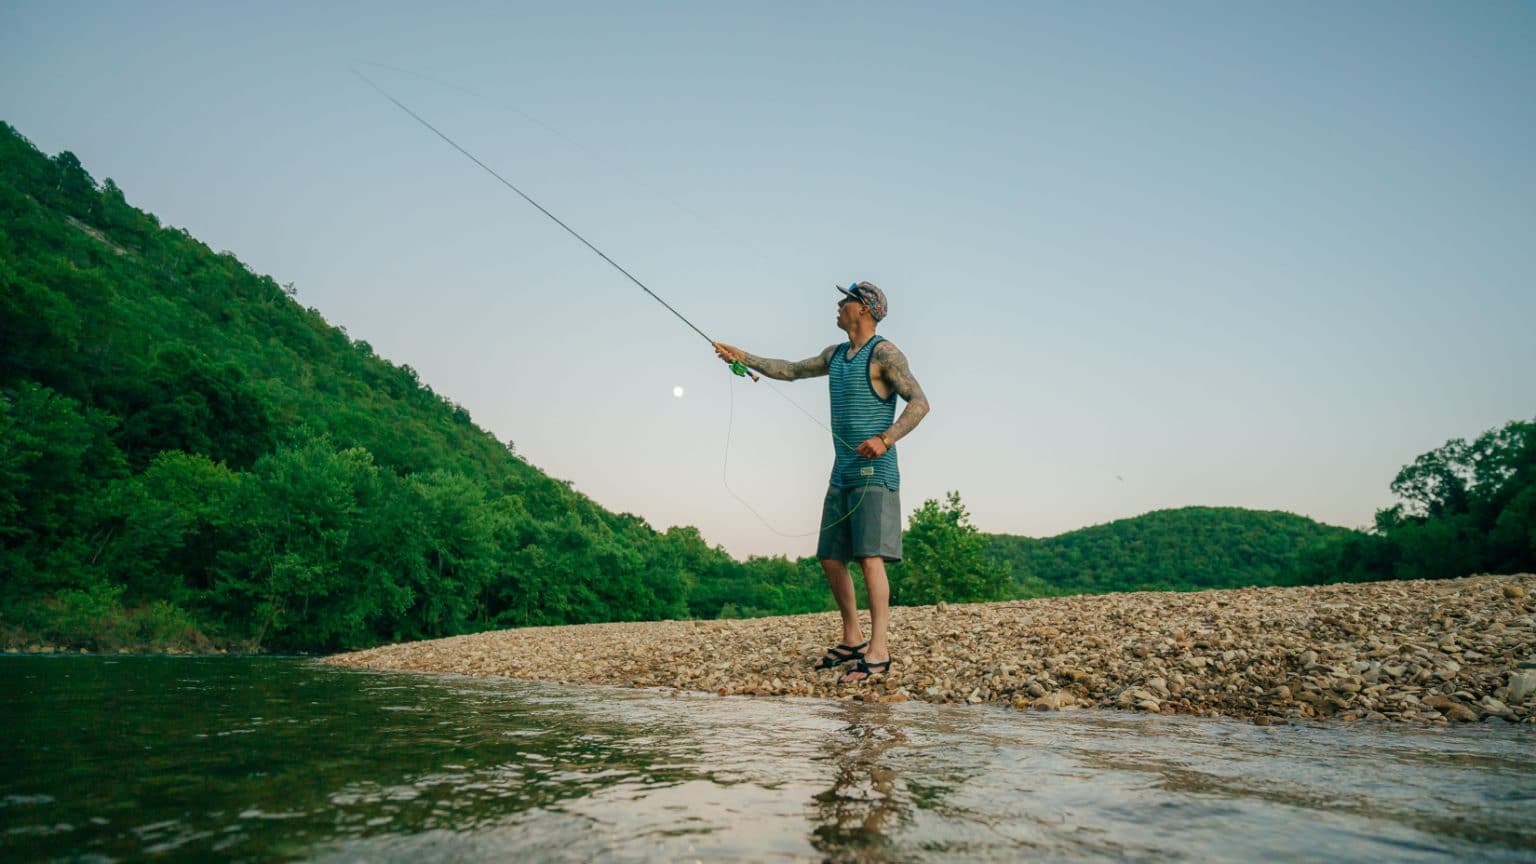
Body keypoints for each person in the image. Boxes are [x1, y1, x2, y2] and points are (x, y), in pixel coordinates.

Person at [713, 281, 930, 683]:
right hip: (842, 471)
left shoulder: (885, 353)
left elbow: (920, 402)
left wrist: (886, 439)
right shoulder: (835, 355)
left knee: (869, 558)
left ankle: (879, 650)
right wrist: (742, 356)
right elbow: (792, 371)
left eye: (845, 300)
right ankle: (853, 638)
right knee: (831, 558)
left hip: (875, 473)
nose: (838, 304)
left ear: (863, 309)